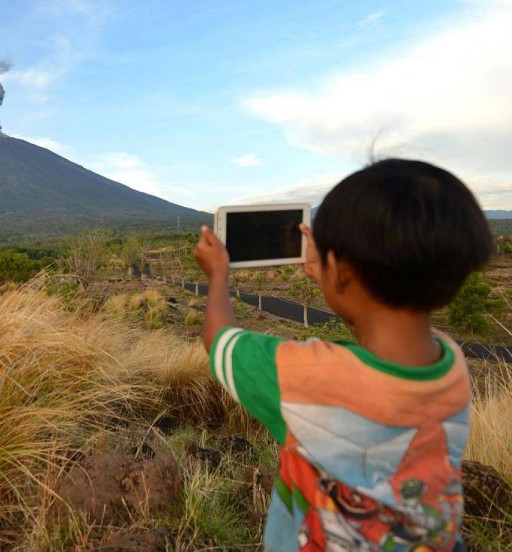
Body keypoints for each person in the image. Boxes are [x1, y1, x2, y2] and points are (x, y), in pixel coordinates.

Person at [193, 159, 494, 552]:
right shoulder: (450, 364)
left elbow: (219, 341)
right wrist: (334, 277)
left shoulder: (304, 375)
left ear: (343, 269)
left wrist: (218, 275)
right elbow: (380, 332)